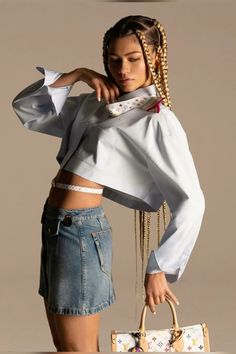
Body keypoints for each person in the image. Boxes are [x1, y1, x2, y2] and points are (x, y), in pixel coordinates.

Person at [12, 15, 205, 352]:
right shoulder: (95, 103)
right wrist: (78, 75)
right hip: (54, 225)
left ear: (155, 58)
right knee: (64, 347)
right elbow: (29, 110)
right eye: (114, 60)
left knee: (77, 350)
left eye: (133, 59)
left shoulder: (157, 118)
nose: (123, 69)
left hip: (81, 234)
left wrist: (160, 266)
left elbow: (192, 200)